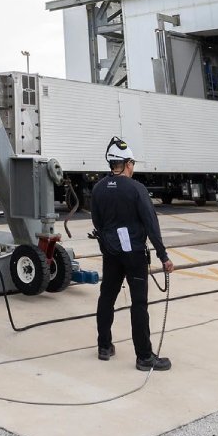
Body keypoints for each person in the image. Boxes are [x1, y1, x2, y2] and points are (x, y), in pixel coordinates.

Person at [91, 137, 174, 371]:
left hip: (110, 253)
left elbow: (97, 221)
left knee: (106, 297)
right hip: (135, 254)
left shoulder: (98, 189)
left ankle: (104, 346)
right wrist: (163, 255)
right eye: (133, 163)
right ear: (127, 164)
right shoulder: (136, 189)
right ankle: (144, 356)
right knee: (139, 303)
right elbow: (151, 223)